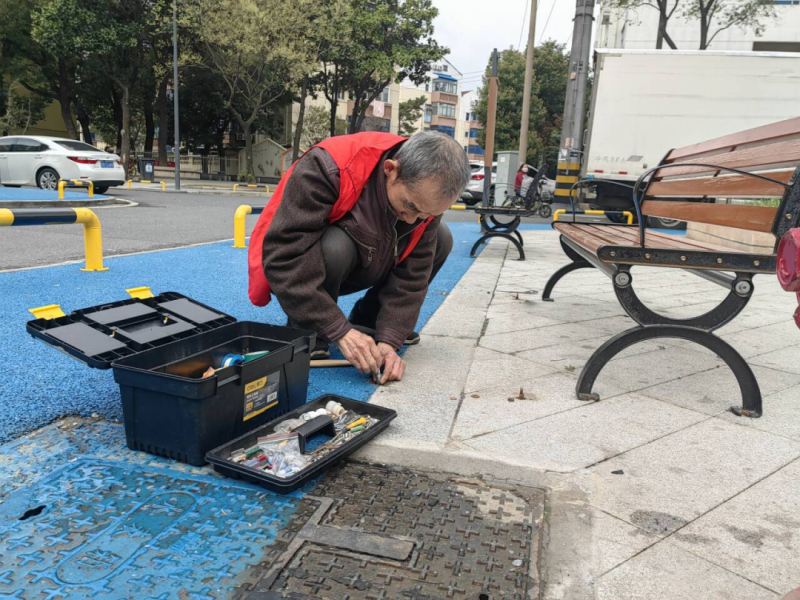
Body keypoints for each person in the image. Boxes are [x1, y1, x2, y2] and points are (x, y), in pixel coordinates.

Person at [248, 131, 471, 384]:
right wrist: (338, 329)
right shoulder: (328, 165)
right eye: (410, 206)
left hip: (375, 257)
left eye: (425, 215)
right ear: (391, 170)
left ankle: (370, 322)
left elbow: (413, 275)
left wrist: (389, 340)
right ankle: (310, 329)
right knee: (335, 246)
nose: (412, 220)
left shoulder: (424, 200)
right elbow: (285, 257)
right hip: (314, 265)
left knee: (442, 238)